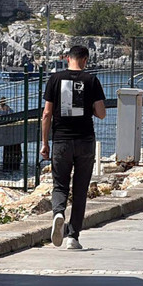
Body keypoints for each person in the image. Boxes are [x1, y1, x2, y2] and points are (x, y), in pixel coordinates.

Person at [41, 45, 106, 249]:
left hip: (61, 141)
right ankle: (72, 237)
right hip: (85, 141)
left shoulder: (55, 79)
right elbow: (102, 113)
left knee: (60, 185)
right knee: (80, 189)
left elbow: (46, 114)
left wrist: (45, 143)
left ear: (67, 58)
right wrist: (89, 109)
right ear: (85, 60)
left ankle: (58, 213)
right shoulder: (92, 80)